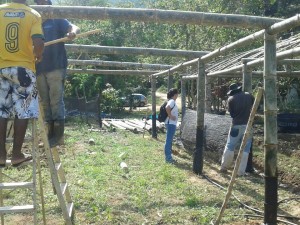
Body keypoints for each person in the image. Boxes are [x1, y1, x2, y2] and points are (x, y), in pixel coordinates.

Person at [0, 0, 44, 167]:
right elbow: (38, 43)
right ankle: (17, 153)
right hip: (23, 69)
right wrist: (38, 55)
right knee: (23, 110)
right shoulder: (32, 14)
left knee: (1, 110)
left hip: (1, 67)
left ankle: (1, 154)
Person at [34, 0, 80, 147]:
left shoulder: (57, 19)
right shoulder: (35, 20)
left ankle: (58, 135)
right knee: (45, 103)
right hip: (39, 68)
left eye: (43, 2)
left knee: (55, 100)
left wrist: (72, 32)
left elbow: (73, 26)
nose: (41, 5)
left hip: (56, 67)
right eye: (38, 2)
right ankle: (50, 134)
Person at [220, 83, 254, 176]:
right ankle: (240, 172)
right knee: (245, 149)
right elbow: (255, 107)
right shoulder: (249, 95)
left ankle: (224, 167)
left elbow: (232, 115)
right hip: (248, 126)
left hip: (236, 125)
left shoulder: (231, 99)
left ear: (232, 91)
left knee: (230, 146)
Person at [164, 88, 179, 163]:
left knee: (169, 140)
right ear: (175, 94)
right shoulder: (172, 101)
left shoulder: (171, 101)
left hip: (171, 123)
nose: (178, 95)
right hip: (171, 124)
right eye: (177, 94)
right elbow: (167, 108)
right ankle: (168, 158)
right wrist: (170, 116)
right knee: (168, 140)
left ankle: (169, 157)